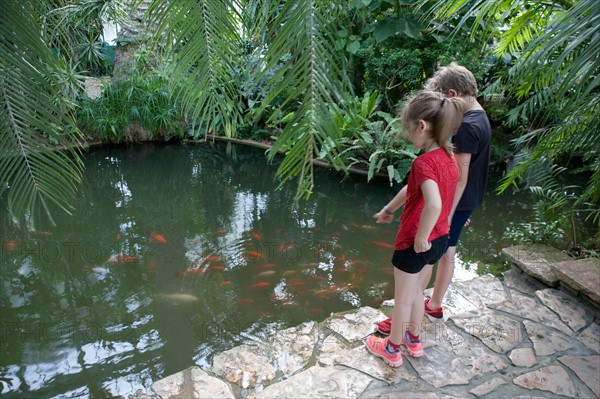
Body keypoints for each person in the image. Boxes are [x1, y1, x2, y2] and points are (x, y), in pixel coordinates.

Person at [375, 63, 492, 335]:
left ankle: (400, 331)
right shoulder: (478, 121)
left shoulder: (460, 134)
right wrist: (391, 208)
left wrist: (443, 219)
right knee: (441, 255)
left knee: (418, 277)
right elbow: (438, 182)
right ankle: (422, 319)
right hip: (459, 203)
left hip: (443, 212)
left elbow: (452, 185)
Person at [365, 90, 465, 367]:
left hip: (415, 243)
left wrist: (420, 237)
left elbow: (432, 204)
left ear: (422, 125)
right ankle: (414, 340)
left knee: (403, 300)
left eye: (409, 129)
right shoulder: (449, 158)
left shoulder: (423, 162)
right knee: (418, 293)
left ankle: (392, 348)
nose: (409, 135)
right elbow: (417, 190)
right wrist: (389, 209)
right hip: (441, 239)